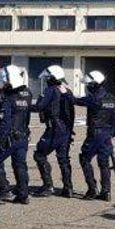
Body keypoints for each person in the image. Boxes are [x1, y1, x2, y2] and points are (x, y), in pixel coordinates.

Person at [72, 71, 115, 201]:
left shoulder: (95, 98)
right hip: (107, 135)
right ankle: (106, 191)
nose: (87, 86)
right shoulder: (110, 97)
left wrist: (66, 93)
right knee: (104, 163)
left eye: (89, 84)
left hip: (95, 134)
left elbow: (76, 101)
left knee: (84, 158)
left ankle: (92, 189)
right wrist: (113, 131)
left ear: (94, 84)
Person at [32, 65, 76, 197]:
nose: (46, 79)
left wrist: (22, 106)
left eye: (48, 77)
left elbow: (39, 106)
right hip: (66, 130)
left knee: (39, 154)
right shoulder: (66, 91)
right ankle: (68, 188)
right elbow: (71, 112)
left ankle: (48, 185)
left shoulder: (50, 90)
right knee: (63, 159)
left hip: (54, 129)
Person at [0, 64, 34, 204]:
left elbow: (5, 121)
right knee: (20, 165)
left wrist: (1, 138)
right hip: (23, 135)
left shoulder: (8, 98)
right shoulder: (27, 93)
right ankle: (23, 193)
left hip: (10, 136)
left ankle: (4, 190)